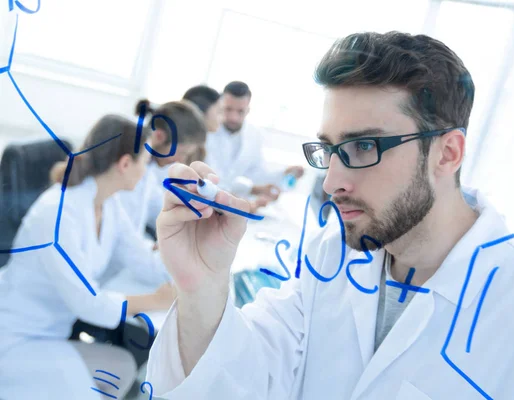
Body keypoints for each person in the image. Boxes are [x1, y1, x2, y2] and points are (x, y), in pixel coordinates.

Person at [146, 32, 514, 399]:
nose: (331, 182)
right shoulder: (330, 258)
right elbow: (248, 380)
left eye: (364, 146)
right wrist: (202, 289)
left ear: (448, 152)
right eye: (329, 149)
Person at [0, 115, 175, 399]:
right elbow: (88, 303)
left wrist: (187, 268)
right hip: (16, 339)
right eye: (144, 161)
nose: (146, 171)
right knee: (109, 380)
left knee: (122, 369)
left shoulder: (108, 203)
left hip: (53, 331)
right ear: (124, 164)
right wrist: (155, 300)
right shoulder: (57, 215)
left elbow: (141, 257)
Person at [116, 99, 207, 238]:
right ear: (159, 136)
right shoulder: (125, 168)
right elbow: (122, 235)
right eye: (181, 153)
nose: (180, 160)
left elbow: (159, 207)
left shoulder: (148, 169)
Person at [204, 81, 305, 202]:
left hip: (234, 202)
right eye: (228, 109)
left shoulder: (254, 135)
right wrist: (252, 190)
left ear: (248, 110)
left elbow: (257, 174)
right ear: (220, 106)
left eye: (240, 111)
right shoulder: (207, 131)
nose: (233, 117)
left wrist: (284, 173)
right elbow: (212, 179)